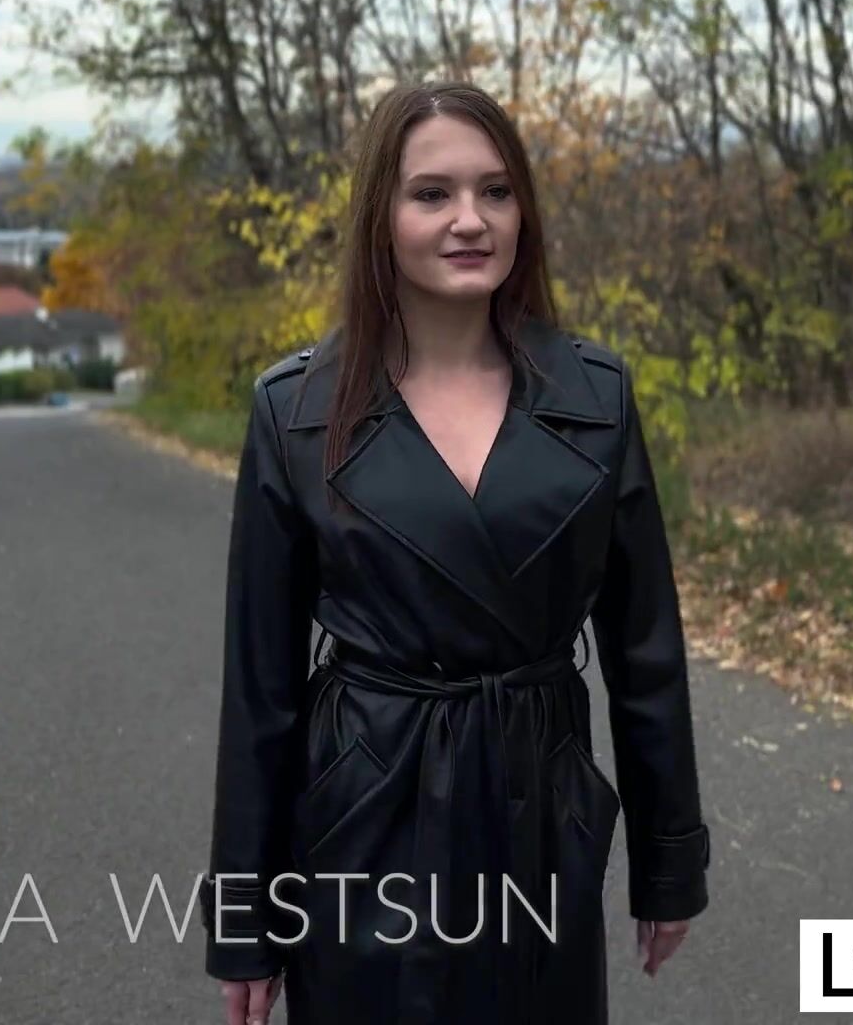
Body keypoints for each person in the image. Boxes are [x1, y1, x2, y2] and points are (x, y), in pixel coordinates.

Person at [200, 80, 711, 1025]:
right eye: (432, 193)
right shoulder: (297, 411)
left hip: (537, 807)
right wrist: (245, 921)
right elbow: (260, 691)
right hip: (363, 818)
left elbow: (646, 655)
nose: (470, 219)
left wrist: (669, 860)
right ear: (381, 217)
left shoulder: (595, 397)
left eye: (496, 191)